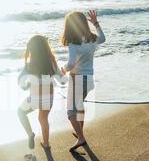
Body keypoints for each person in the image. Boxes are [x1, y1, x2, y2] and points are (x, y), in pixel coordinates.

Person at [61, 10, 106, 152]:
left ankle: (81, 138)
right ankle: (80, 133)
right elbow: (103, 38)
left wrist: (63, 69)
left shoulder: (73, 43)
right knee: (80, 107)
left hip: (77, 79)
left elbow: (71, 64)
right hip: (89, 79)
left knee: (71, 112)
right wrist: (96, 24)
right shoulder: (92, 38)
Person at [18, 35, 66, 150]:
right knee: (43, 118)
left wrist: (27, 85)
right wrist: (64, 74)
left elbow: (21, 83)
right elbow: (63, 81)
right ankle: (46, 143)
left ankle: (30, 134)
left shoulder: (29, 65)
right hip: (48, 96)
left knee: (20, 112)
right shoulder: (51, 62)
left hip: (35, 96)